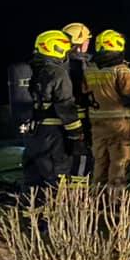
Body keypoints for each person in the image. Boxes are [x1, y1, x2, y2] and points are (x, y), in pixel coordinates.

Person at [84, 30, 130, 191]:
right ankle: (116, 202)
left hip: (97, 124)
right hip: (119, 125)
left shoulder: (89, 69)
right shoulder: (121, 70)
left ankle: (97, 200)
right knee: (119, 163)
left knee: (100, 163)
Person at [24, 30, 86, 191]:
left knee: (34, 179)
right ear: (56, 48)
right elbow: (65, 105)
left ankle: (31, 212)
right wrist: (76, 132)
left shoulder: (33, 70)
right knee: (58, 176)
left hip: (35, 132)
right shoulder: (57, 72)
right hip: (54, 133)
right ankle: (57, 212)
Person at [63, 22, 94, 185]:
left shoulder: (60, 63)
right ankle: (79, 197)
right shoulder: (80, 65)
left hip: (63, 121)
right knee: (82, 157)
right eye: (87, 40)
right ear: (81, 43)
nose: (89, 43)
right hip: (81, 120)